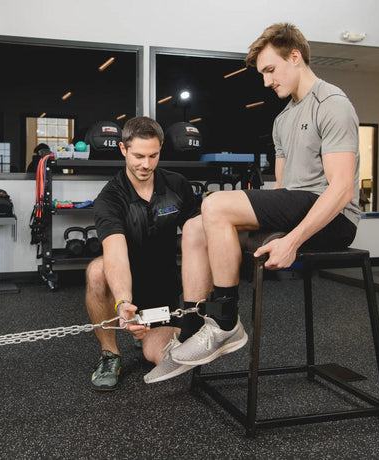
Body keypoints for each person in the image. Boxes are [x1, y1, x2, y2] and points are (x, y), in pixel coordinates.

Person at [150, 22, 361, 373]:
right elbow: (281, 190)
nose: (266, 81)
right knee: (194, 228)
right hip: (296, 202)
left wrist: (291, 241)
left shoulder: (332, 104)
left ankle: (225, 321)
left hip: (335, 217)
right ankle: (191, 327)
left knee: (215, 203)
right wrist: (252, 222)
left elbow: (341, 190)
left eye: (270, 70)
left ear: (295, 57)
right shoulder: (282, 120)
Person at [85, 116, 210, 391]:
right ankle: (110, 354)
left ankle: (162, 331)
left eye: (153, 155)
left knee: (160, 356)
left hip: (163, 286)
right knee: (96, 270)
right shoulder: (110, 198)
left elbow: (199, 237)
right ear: (123, 150)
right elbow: (115, 253)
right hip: (126, 284)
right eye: (138, 156)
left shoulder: (177, 185)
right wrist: (122, 303)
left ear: (161, 149)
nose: (146, 164)